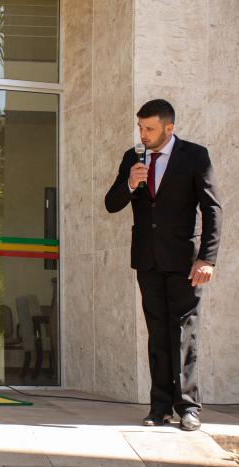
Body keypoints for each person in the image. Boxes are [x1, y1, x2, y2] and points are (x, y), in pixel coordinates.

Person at [105, 99, 222, 431]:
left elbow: (212, 209)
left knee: (184, 333)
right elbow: (111, 203)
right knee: (157, 333)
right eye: (140, 127)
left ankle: (188, 407)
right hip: (147, 260)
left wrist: (207, 258)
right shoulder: (133, 158)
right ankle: (159, 407)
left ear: (169, 128)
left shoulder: (195, 156)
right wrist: (130, 184)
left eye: (150, 128)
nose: (143, 134)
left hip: (185, 261)